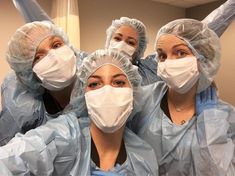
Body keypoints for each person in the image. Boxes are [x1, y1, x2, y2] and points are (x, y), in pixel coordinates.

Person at [0, 49, 158, 176]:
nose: (107, 91)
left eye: (118, 82)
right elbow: (10, 159)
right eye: (95, 84)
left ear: (134, 92)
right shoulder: (63, 136)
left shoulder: (144, 157)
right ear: (83, 95)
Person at [12, 0, 235, 85]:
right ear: (108, 40)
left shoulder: (151, 70)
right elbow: (50, 32)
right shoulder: (86, 65)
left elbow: (194, 37)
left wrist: (231, 6)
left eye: (131, 42)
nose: (122, 45)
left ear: (138, 50)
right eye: (118, 38)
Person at [131, 18, 235, 175]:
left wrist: (212, 131)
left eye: (180, 53)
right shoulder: (143, 99)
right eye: (162, 55)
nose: (169, 62)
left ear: (204, 58)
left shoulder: (224, 117)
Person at [0, 21, 87, 145]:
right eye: (39, 57)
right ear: (29, 74)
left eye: (56, 45)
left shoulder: (96, 87)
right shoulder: (27, 112)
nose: (54, 56)